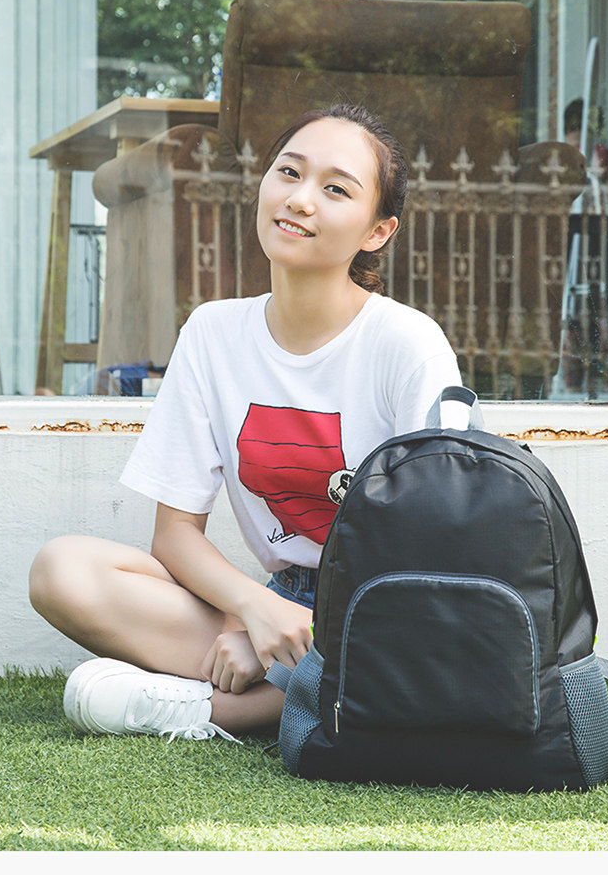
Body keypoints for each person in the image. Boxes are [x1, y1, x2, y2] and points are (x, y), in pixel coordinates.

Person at [29, 104, 461, 744]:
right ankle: (296, 688)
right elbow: (175, 537)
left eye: (336, 189)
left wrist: (309, 630)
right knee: (62, 570)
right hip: (280, 600)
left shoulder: (408, 345)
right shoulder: (213, 333)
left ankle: (212, 711)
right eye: (289, 172)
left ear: (378, 231)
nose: (300, 199)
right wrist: (254, 611)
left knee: (415, 643)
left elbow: (439, 553)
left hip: (382, 610)